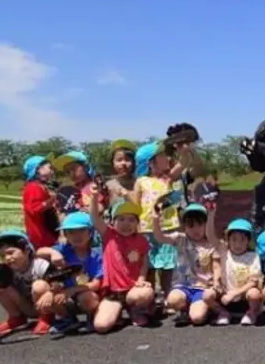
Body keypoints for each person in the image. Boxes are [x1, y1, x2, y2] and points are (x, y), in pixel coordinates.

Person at [132, 141, 191, 308]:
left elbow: (184, 163)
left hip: (168, 227)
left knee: (168, 265)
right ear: (151, 162)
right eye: (163, 156)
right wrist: (135, 228)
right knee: (148, 265)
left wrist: (183, 151)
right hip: (146, 228)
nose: (167, 158)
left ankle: (168, 296)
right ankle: (148, 298)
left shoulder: (169, 178)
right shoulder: (141, 181)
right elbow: (136, 206)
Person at [88, 187, 155, 332]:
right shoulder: (109, 235)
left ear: (137, 223)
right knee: (101, 326)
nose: (126, 224)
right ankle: (118, 311)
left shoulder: (141, 239)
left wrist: (142, 278)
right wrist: (94, 197)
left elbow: (144, 262)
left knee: (145, 293)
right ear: (112, 222)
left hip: (133, 288)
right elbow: (94, 217)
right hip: (113, 292)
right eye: (121, 219)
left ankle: (135, 309)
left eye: (131, 220)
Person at [151, 203, 223, 326]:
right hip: (183, 286)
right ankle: (184, 309)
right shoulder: (181, 239)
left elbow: (216, 266)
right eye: (191, 226)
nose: (196, 229)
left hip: (203, 288)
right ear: (184, 226)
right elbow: (160, 237)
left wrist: (217, 282)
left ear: (206, 225)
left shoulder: (211, 243)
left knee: (197, 318)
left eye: (200, 225)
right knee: (173, 300)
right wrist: (155, 220)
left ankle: (205, 308)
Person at [35, 212, 103, 333]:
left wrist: (71, 290)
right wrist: (52, 253)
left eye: (81, 230)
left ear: (90, 232)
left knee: (87, 297)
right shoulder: (63, 250)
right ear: (65, 235)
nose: (77, 235)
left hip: (84, 294)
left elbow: (96, 284)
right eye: (71, 232)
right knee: (45, 290)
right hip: (64, 295)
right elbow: (39, 252)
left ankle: (90, 317)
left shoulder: (97, 255)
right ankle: (68, 319)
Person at [0, 230, 54, 335]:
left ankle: (46, 317)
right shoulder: (7, 270)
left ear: (26, 250)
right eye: (2, 255)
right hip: (28, 307)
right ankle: (17, 317)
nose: (7, 258)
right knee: (2, 286)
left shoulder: (40, 265)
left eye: (10, 252)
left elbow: (58, 285)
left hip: (48, 305)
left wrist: (51, 293)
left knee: (39, 286)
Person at [203, 217, 264, 326]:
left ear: (248, 241)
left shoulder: (253, 256)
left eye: (242, 240)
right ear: (228, 240)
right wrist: (211, 214)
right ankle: (222, 312)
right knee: (207, 295)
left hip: (243, 296)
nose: (238, 244)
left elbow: (253, 282)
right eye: (234, 239)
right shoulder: (224, 252)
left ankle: (251, 313)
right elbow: (210, 235)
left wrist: (235, 293)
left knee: (254, 294)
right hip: (225, 295)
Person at [21, 155, 59, 249]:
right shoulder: (33, 187)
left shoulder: (39, 186)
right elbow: (35, 208)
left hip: (45, 236)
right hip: (41, 238)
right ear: (38, 169)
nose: (52, 171)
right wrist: (53, 199)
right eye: (50, 168)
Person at [104, 139, 137, 207]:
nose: (123, 163)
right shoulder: (108, 186)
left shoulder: (140, 183)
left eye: (127, 160)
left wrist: (126, 195)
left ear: (133, 162)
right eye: (119, 160)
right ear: (113, 163)